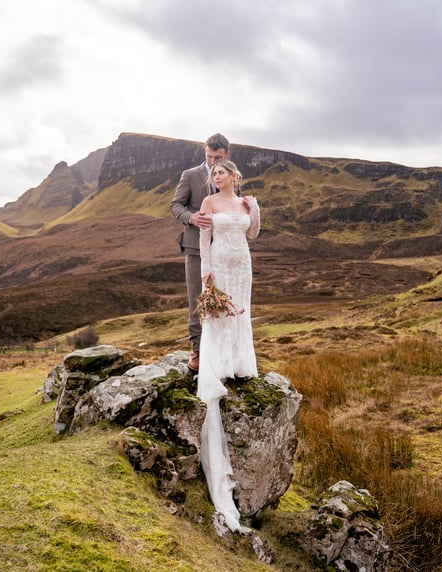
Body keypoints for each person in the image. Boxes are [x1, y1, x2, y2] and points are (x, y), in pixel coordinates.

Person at [196, 159, 260, 532]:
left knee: (241, 312)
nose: (216, 176)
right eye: (214, 173)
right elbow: (204, 239)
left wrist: (254, 210)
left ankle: (238, 362)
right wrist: (205, 270)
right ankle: (218, 363)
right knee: (221, 314)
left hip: (243, 264)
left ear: (235, 176)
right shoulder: (209, 203)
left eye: (222, 172)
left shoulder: (244, 202)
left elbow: (253, 233)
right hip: (220, 263)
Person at [169, 133, 230, 373]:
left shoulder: (231, 177)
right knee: (197, 298)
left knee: (224, 297)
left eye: (218, 157)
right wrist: (191, 218)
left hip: (223, 247)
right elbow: (175, 205)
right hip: (195, 247)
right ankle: (197, 351)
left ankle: (222, 350)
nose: (212, 162)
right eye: (209, 156)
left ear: (226, 155)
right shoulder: (190, 175)